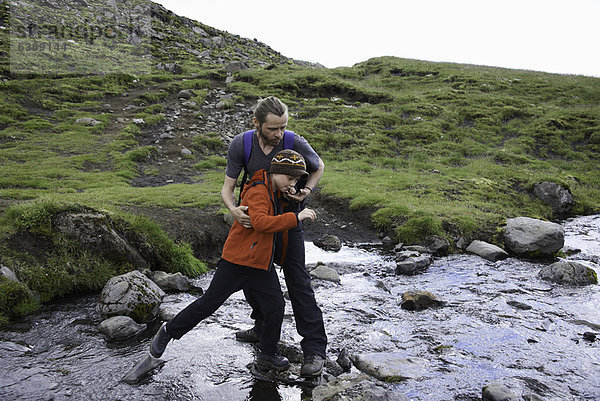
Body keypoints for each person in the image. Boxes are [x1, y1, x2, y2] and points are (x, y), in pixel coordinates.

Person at [149, 150, 317, 372]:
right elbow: (260, 223)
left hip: (259, 263)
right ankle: (168, 331)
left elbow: (270, 216)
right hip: (237, 262)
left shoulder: (274, 188)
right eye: (290, 178)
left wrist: (291, 194)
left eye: (296, 180)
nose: (292, 184)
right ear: (276, 172)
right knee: (209, 303)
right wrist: (296, 217)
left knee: (276, 306)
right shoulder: (259, 190)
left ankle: (267, 355)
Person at [220, 96, 327, 378]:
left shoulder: (294, 141)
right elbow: (227, 189)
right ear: (257, 123)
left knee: (298, 281)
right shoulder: (241, 145)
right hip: (257, 224)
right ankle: (262, 328)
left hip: (289, 220)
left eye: (283, 127)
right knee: (254, 276)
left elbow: (318, 166)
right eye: (273, 129)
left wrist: (308, 191)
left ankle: (314, 351)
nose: (279, 134)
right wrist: (234, 211)